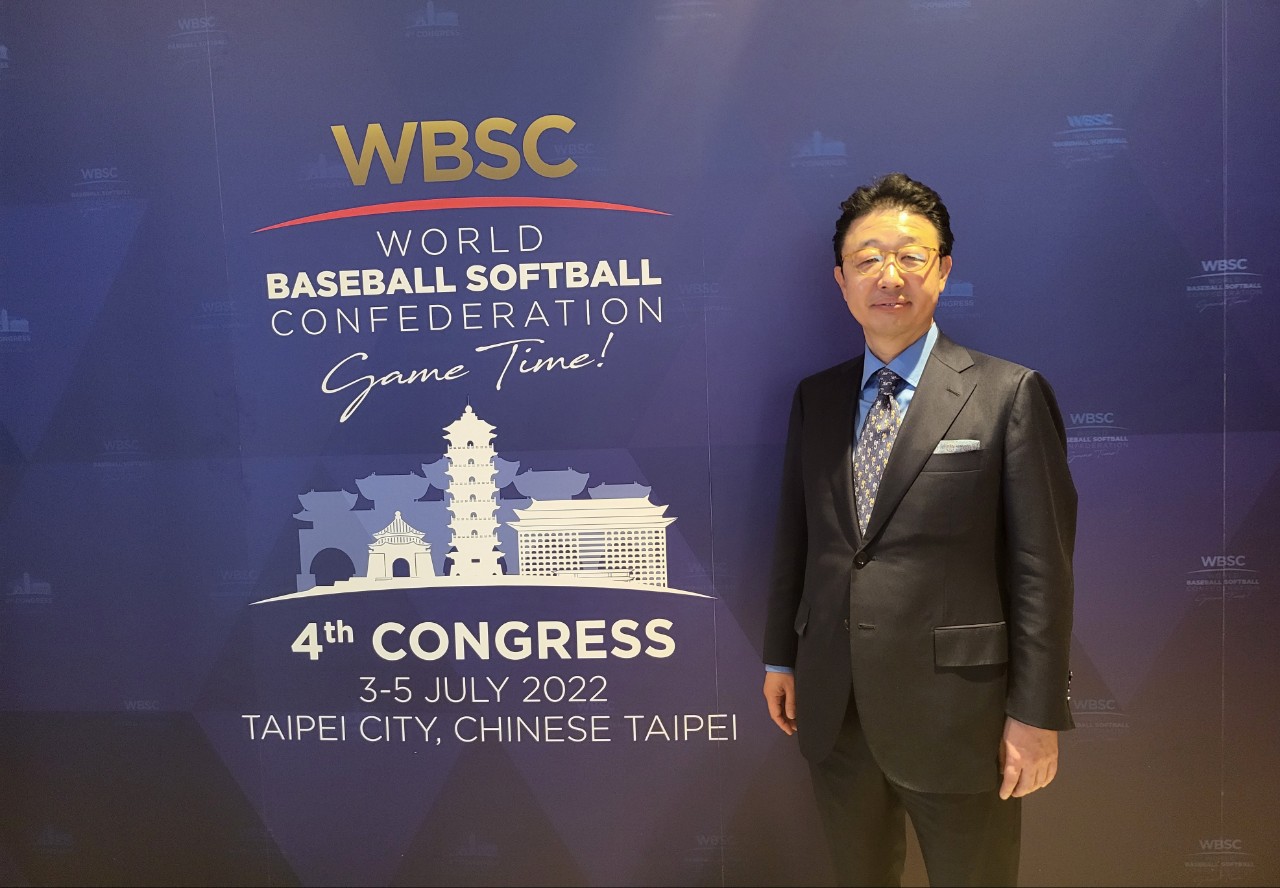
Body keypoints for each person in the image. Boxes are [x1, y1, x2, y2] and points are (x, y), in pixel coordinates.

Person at [761, 173, 1076, 887]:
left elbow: (1043, 571)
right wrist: (781, 656)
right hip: (836, 707)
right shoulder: (816, 398)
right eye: (868, 259)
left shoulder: (1008, 394)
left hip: (961, 718)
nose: (889, 276)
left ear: (944, 270)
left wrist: (1036, 715)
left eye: (911, 256)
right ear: (841, 280)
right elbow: (797, 539)